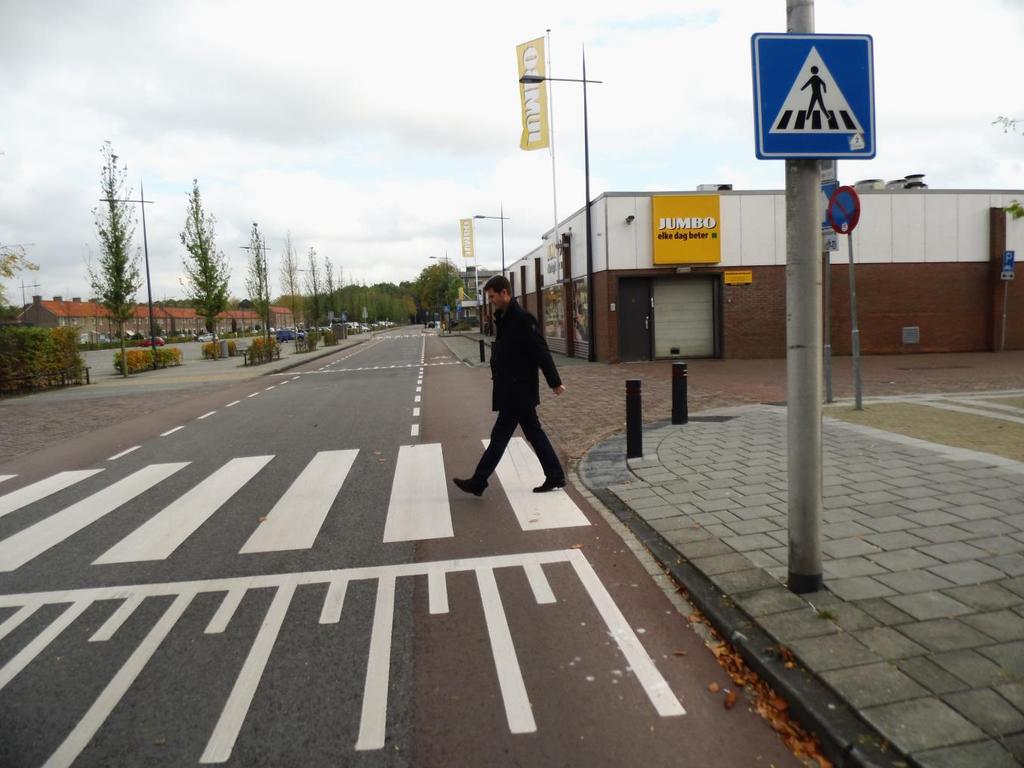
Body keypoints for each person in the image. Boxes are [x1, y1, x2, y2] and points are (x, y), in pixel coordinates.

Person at [453, 275, 566, 496]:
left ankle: (479, 481)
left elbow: (540, 350)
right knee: (532, 433)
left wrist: (555, 382)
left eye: (493, 296)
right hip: (512, 389)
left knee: (500, 436)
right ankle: (555, 475)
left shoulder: (523, 318)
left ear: (505, 293)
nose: (491, 300)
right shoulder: (505, 317)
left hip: (518, 390)